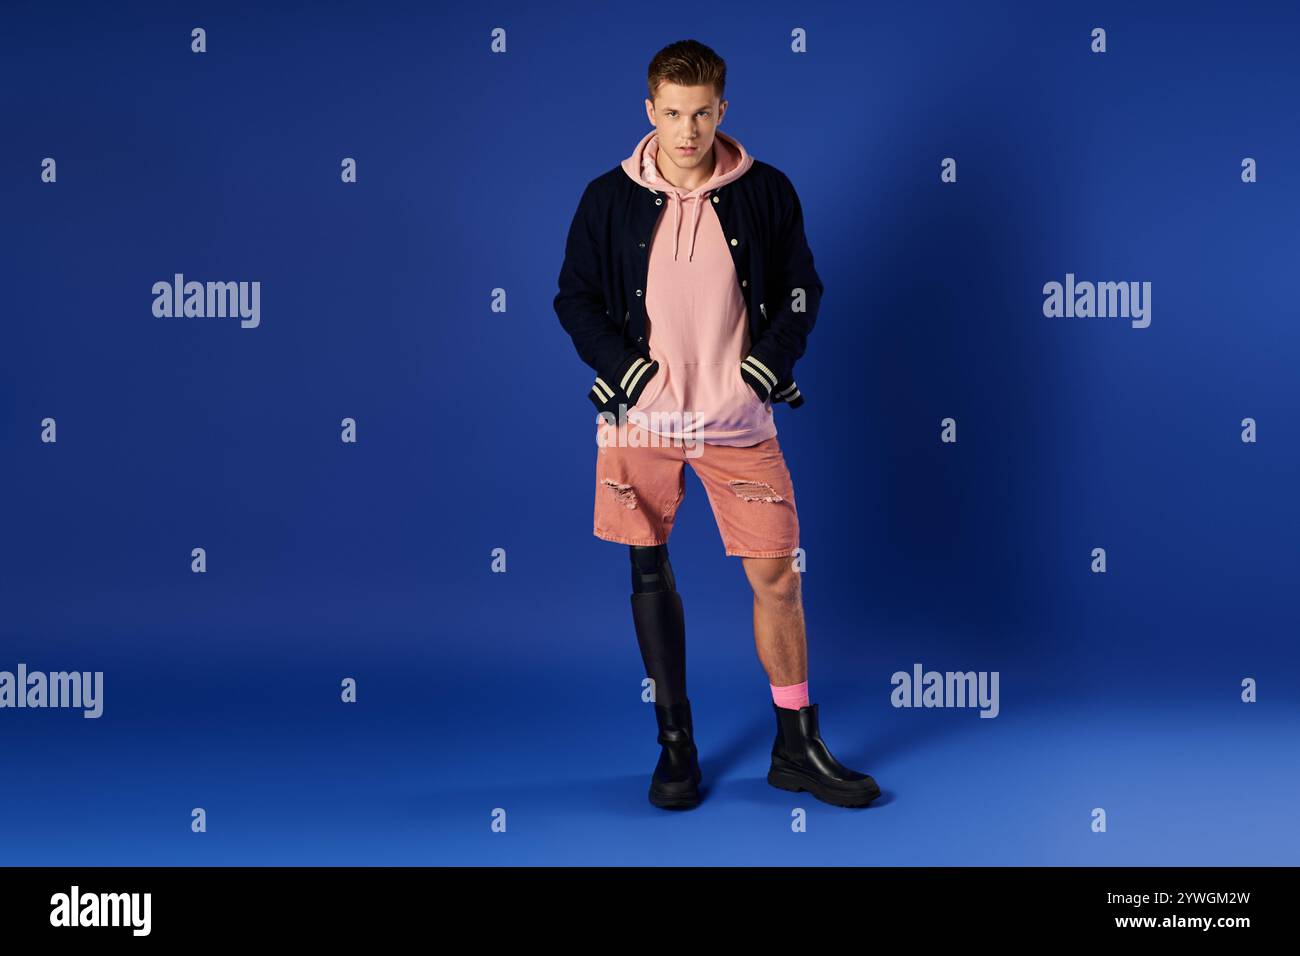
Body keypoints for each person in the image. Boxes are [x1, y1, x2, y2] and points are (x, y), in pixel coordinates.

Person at [554, 39, 880, 810]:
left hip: (738, 423)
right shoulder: (608, 197)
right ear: (650, 112)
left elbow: (803, 289)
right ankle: (675, 749)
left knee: (777, 576)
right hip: (640, 425)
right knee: (648, 569)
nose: (688, 131)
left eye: (701, 113)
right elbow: (574, 298)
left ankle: (796, 744)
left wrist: (768, 365)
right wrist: (625, 371)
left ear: (722, 110)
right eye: (672, 113)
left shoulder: (766, 191)